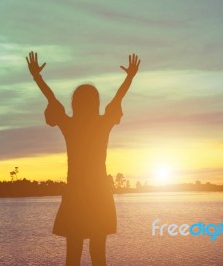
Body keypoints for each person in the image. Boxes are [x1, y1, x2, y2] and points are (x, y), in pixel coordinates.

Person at [26, 51, 140, 266]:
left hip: (76, 194)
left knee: (73, 255)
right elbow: (118, 97)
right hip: (98, 194)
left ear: (75, 103)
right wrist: (130, 77)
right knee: (98, 254)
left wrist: (37, 77)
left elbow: (52, 99)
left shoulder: (71, 126)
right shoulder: (102, 123)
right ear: (95, 103)